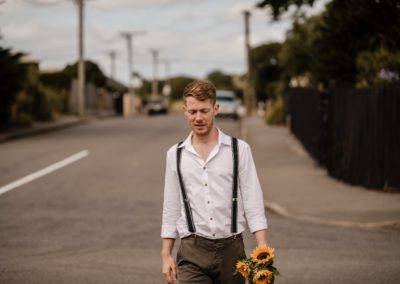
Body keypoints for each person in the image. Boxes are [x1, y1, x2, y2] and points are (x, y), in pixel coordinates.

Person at [161, 80, 268, 284]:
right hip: (192, 250)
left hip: (232, 251)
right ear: (185, 111)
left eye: (204, 110)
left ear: (215, 109)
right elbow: (171, 208)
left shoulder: (239, 150)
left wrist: (263, 251)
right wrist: (166, 254)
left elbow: (254, 203)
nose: (199, 118)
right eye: (193, 112)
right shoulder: (175, 155)